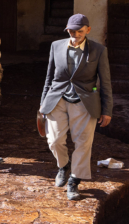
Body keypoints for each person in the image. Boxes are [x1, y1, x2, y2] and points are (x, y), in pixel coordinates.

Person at [40, 14, 113, 201]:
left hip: (85, 101)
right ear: (67, 29)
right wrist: (43, 104)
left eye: (79, 31)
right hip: (57, 99)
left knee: (83, 142)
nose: (75, 35)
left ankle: (74, 180)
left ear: (87, 30)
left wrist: (107, 110)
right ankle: (64, 166)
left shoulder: (98, 50)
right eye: (72, 31)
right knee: (54, 140)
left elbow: (105, 82)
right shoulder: (56, 46)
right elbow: (49, 77)